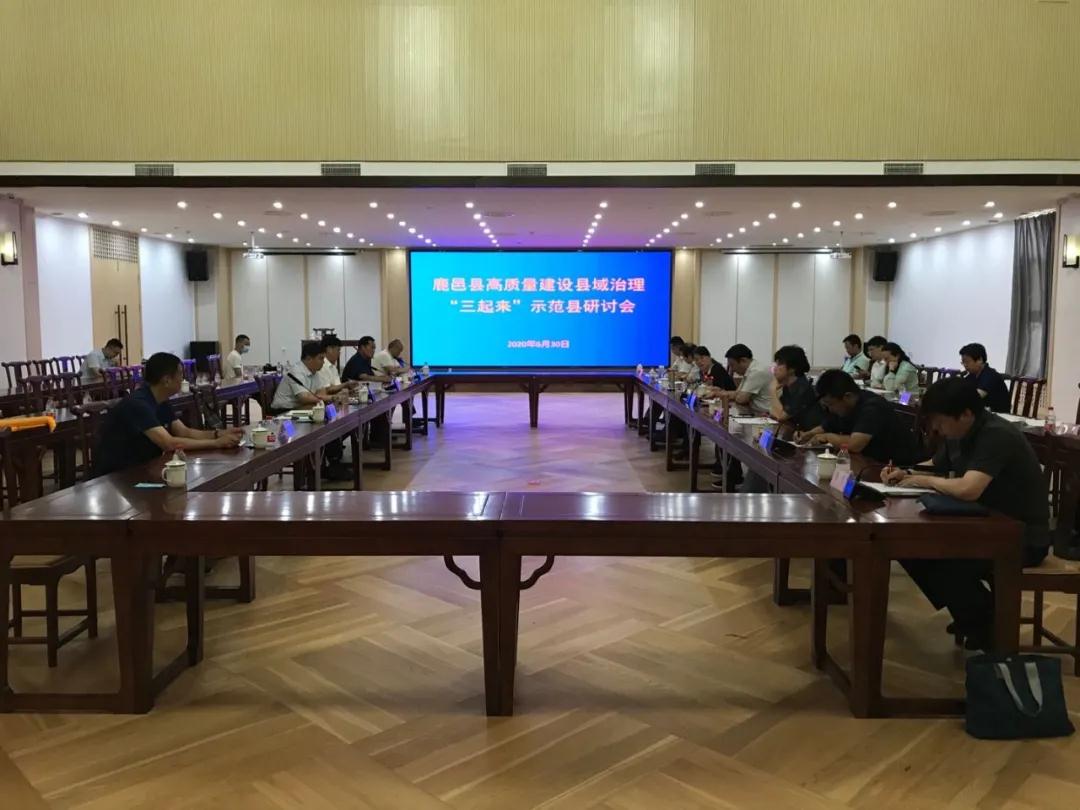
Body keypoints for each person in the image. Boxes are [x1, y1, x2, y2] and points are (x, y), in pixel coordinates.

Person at [882, 377, 1050, 650]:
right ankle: (977, 618)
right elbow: (935, 465)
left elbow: (970, 489)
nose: (936, 429)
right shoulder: (959, 433)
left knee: (938, 557)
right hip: (983, 525)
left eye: (940, 421)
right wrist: (905, 473)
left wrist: (922, 481)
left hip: (1021, 537)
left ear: (966, 414)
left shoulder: (996, 434)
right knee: (910, 547)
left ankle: (986, 624)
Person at [93, 352, 243, 476]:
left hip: (145, 465)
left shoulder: (160, 399)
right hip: (119, 475)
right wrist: (216, 443)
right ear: (166, 380)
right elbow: (169, 443)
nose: (183, 379)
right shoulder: (138, 404)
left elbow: (184, 432)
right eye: (180, 375)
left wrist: (219, 434)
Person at [799, 369, 921, 464]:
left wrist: (827, 437)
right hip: (868, 462)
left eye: (831, 404)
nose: (830, 409)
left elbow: (855, 445)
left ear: (847, 396)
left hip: (895, 466)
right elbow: (827, 426)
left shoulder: (872, 407)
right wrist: (808, 434)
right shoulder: (843, 407)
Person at [768, 345, 823, 435]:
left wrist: (772, 390)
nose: (774, 368)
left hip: (811, 436)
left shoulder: (802, 388)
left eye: (779, 364)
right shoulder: (788, 386)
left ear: (792, 368)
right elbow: (775, 413)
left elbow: (780, 416)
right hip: (796, 433)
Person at [270, 341, 332, 412]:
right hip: (283, 410)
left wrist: (319, 398)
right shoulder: (296, 371)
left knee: (320, 407)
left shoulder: (315, 371)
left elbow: (322, 392)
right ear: (309, 358)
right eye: (321, 358)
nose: (323, 362)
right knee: (319, 408)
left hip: (299, 407)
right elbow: (304, 398)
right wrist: (331, 397)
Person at [715, 344, 772, 413]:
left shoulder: (757, 371)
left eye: (732, 365)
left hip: (765, 414)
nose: (732, 370)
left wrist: (736, 395)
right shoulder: (750, 370)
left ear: (743, 360)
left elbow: (741, 399)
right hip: (755, 411)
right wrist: (717, 393)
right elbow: (737, 393)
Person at [959, 342, 1011, 413]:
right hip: (983, 413)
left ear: (980, 360)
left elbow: (974, 397)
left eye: (967, 362)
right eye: (963, 362)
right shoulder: (971, 375)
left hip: (998, 416)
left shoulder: (991, 376)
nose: (965, 365)